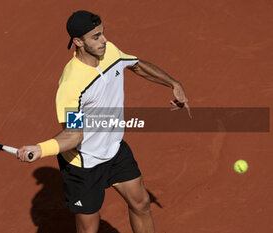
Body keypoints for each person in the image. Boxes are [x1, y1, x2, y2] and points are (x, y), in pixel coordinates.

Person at [17, 10, 190, 233]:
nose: (104, 41)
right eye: (96, 37)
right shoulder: (72, 85)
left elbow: (136, 65)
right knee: (89, 229)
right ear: (78, 42)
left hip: (114, 150)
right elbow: (74, 134)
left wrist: (173, 83)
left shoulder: (110, 53)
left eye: (103, 33)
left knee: (141, 203)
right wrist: (41, 149)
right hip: (84, 164)